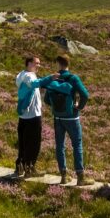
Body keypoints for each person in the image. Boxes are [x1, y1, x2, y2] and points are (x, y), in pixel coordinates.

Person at [43, 54, 92, 186]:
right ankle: (80, 177)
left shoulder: (53, 78)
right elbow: (85, 95)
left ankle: (64, 176)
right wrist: (78, 107)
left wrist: (56, 106)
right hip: (72, 117)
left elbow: (46, 100)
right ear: (68, 64)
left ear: (58, 64)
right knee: (77, 145)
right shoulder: (73, 78)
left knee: (60, 145)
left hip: (57, 118)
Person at [14, 56, 57, 178]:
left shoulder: (21, 75)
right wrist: (50, 78)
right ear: (29, 63)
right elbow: (34, 83)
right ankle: (30, 168)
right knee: (34, 143)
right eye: (36, 63)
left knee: (23, 142)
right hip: (33, 115)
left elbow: (32, 87)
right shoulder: (29, 76)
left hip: (23, 115)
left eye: (39, 63)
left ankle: (20, 166)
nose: (38, 65)